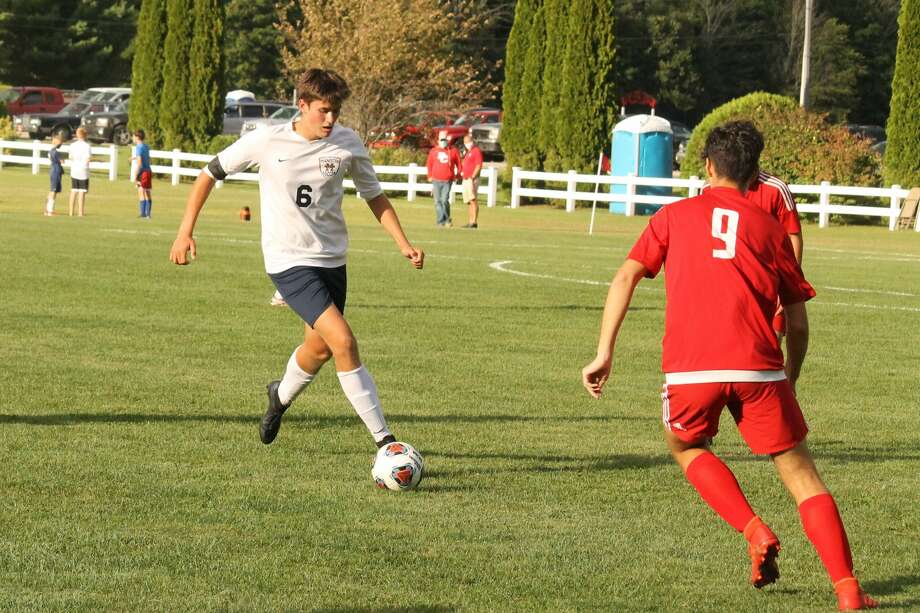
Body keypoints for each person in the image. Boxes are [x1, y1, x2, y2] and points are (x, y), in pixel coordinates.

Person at [581, 122, 877, 611]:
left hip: (691, 371)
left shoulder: (673, 216)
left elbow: (626, 275)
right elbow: (797, 322)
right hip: (760, 371)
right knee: (802, 477)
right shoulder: (770, 228)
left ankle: (753, 528)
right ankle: (847, 588)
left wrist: (604, 350)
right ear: (755, 173)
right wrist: (792, 376)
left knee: (684, 445)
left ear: (708, 167)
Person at [169, 68, 425, 451]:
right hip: (287, 260)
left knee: (319, 349)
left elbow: (374, 195)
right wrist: (185, 230)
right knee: (343, 341)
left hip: (332, 260)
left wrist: (402, 242)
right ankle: (385, 442)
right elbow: (209, 173)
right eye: (323, 110)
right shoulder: (266, 141)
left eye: (336, 110)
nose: (331, 119)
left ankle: (279, 397)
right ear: (302, 105)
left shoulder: (348, 143)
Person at [704, 121, 804, 338]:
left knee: (770, 345)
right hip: (725, 288)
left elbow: (793, 237)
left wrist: (787, 289)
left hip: (768, 284)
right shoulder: (708, 191)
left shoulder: (776, 189)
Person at [426, 129, 461, 227]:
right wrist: (429, 176)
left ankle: (447, 219)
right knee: (437, 201)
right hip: (436, 180)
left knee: (444, 200)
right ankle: (441, 221)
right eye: (441, 139)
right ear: (438, 140)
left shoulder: (453, 151)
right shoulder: (433, 151)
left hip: (447, 180)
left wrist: (457, 175)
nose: (443, 142)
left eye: (444, 139)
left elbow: (459, 164)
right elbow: (429, 164)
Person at [460, 133, 483, 229]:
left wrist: (473, 176)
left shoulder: (476, 151)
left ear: (472, 141)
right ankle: (470, 221)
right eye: (465, 142)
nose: (467, 143)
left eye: (469, 141)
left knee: (473, 200)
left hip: (471, 179)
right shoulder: (467, 152)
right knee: (469, 201)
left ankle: (474, 221)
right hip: (466, 179)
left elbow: (478, 165)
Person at [67, 128, 92, 217]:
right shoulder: (87, 146)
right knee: (82, 192)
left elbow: (71, 157)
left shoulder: (72, 145)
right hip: (83, 170)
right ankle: (80, 213)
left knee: (74, 190)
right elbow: (88, 159)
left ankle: (71, 212)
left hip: (74, 169)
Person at [131, 130, 153, 218]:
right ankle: (148, 214)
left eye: (133, 136)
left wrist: (136, 174)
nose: (132, 138)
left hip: (142, 172)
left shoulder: (138, 147)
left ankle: (143, 213)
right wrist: (133, 158)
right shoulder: (146, 146)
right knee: (147, 191)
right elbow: (145, 157)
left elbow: (139, 163)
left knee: (141, 191)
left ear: (137, 137)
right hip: (148, 171)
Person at [45, 135, 63, 216]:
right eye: (60, 141)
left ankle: (47, 209)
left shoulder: (51, 151)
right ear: (57, 142)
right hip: (55, 171)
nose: (61, 143)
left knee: (52, 190)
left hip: (53, 170)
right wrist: (62, 160)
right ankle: (50, 211)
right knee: (53, 191)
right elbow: (61, 161)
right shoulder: (55, 152)